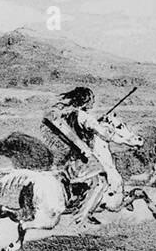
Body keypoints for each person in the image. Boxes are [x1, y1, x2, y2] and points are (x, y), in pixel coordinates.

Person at [47, 86, 122, 221]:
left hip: (70, 157)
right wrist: (107, 124)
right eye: (92, 98)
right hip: (82, 158)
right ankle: (84, 214)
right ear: (86, 100)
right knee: (102, 181)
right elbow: (106, 135)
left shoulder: (70, 113)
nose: (94, 101)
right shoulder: (86, 117)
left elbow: (78, 128)